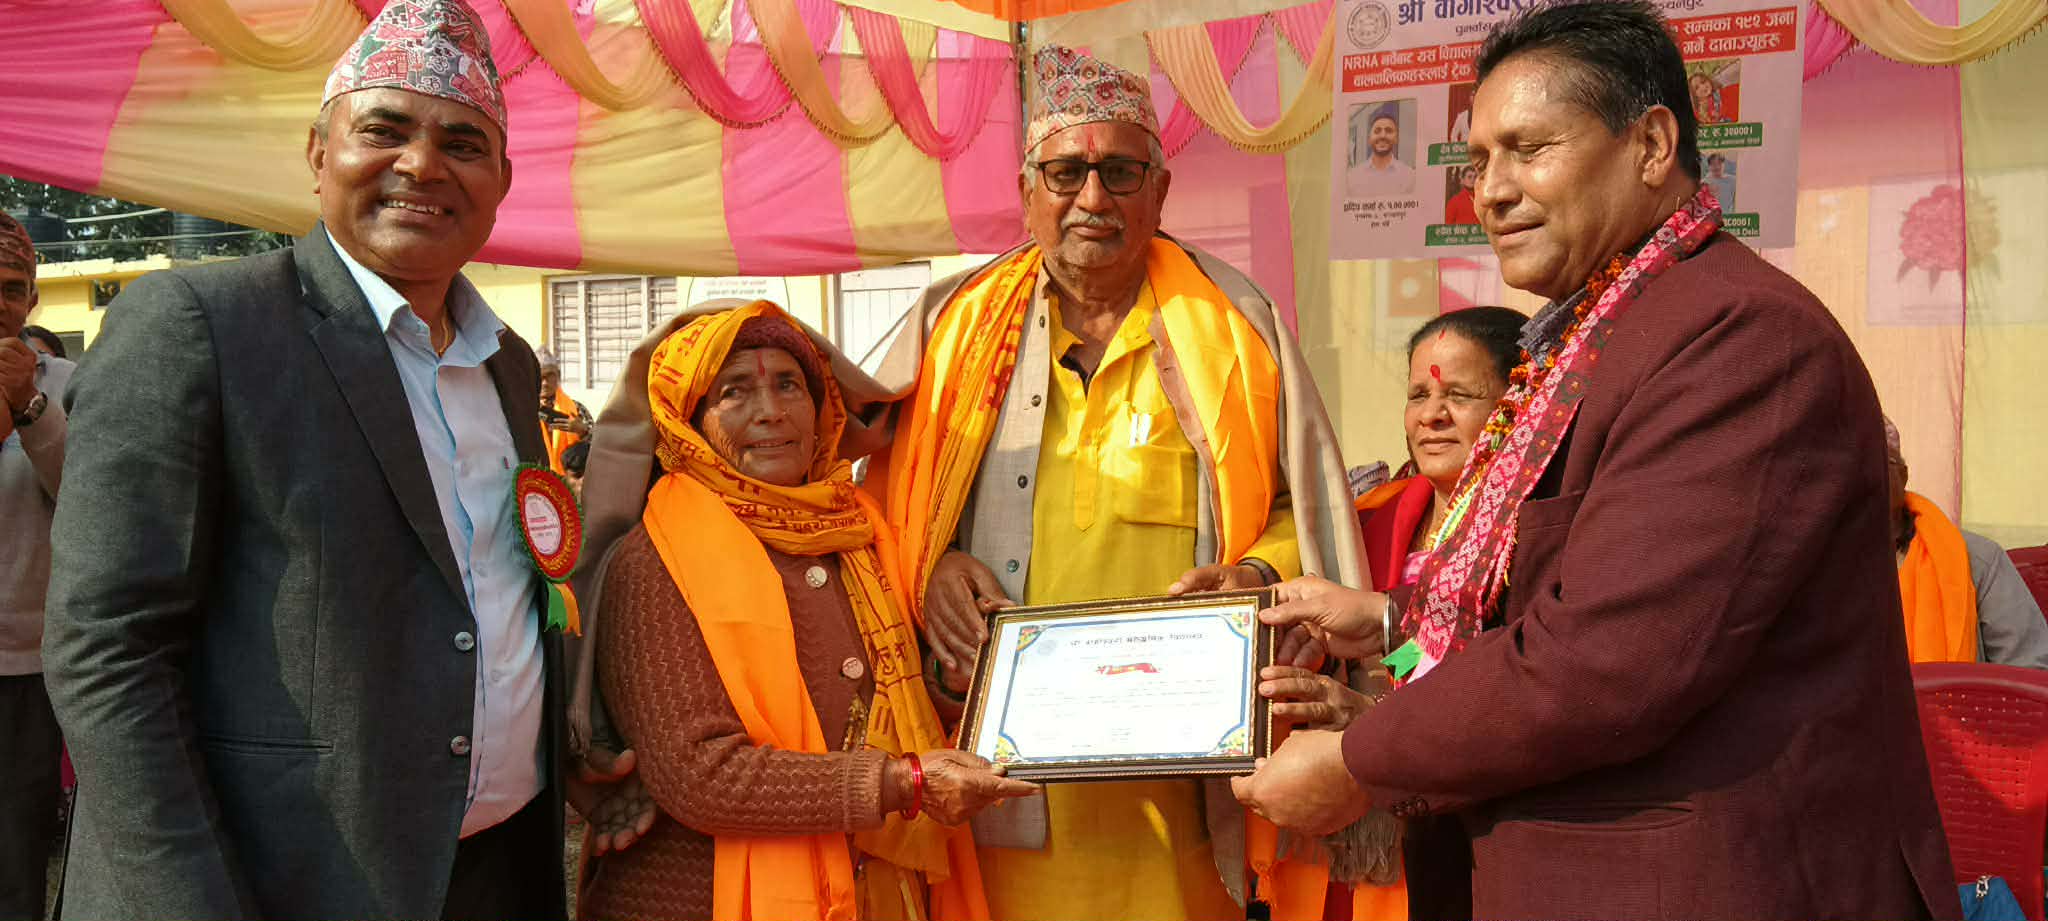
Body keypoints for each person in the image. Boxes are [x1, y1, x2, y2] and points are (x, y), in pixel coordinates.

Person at [1231, 3, 1959, 918]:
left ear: (1650, 145)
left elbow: (1605, 662)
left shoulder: (1739, 336)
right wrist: (1387, 622)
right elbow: (1542, 595)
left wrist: (1356, 763)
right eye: (1477, 161)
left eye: (1528, 149)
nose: (1490, 192)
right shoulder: (1598, 331)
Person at [43, 2, 641, 915]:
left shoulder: (506, 362)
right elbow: (108, 651)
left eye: (463, 144)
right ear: (319, 152)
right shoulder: (201, 327)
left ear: (502, 181)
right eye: (385, 130)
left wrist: (546, 752)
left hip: (493, 872)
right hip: (276, 884)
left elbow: (482, 596)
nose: (423, 165)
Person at [839, 45, 1364, 921]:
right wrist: (930, 568)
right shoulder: (953, 327)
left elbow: (1301, 507)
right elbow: (873, 503)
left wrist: (1256, 575)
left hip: (1180, 791)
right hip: (1000, 790)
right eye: (1066, 172)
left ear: (1160, 190)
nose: (1093, 198)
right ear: (1026, 190)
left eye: (1120, 172)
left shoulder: (1235, 324)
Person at [568, 300, 1035, 920]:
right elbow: (699, 774)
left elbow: (895, 701)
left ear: (822, 410)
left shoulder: (861, 532)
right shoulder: (654, 559)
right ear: (689, 423)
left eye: (789, 384)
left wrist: (951, 684)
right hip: (700, 899)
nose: (771, 410)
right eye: (735, 391)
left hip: (875, 887)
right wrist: (904, 784)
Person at [0, 212, 68, 921]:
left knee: (15, 861)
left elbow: (92, 501)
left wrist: (31, 406)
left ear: (33, 299)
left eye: (11, 288)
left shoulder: (73, 384)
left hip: (25, 671)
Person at [1887, 416, 2048, 668]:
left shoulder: (1977, 559)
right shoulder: (1825, 565)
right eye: (1852, 466)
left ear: (1903, 475)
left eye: (1880, 462)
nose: (1865, 477)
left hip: (1960, 696)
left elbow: (2030, 670)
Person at [539, 345, 593, 475]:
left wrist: (583, 431)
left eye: (550, 375)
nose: (545, 383)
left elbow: (599, 445)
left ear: (558, 375)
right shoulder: (524, 410)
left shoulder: (576, 408)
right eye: (540, 377)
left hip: (571, 480)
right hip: (536, 480)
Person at [1347, 106, 1415, 198]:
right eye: (1377, 131)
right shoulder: (1352, 177)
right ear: (1369, 139)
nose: (1383, 135)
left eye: (1389, 131)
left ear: (1396, 139)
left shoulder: (1410, 177)